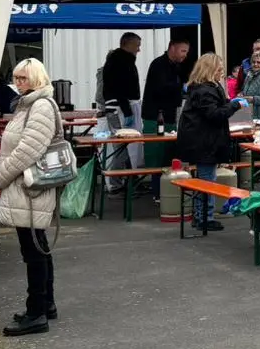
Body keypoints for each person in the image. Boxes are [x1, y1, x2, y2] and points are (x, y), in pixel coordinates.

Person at [0, 59, 63, 337]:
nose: (18, 82)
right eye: (16, 77)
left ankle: (37, 312)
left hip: (30, 187)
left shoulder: (40, 106)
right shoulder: (29, 104)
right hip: (26, 186)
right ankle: (45, 304)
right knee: (37, 246)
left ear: (37, 79)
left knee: (33, 250)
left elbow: (28, 150)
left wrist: (0, 176)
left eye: (24, 78)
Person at [175, 55, 251, 234]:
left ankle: (201, 216)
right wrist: (235, 106)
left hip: (202, 141)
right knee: (207, 180)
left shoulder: (204, 88)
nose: (222, 71)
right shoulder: (205, 90)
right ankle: (204, 218)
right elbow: (215, 114)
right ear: (210, 69)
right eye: (219, 68)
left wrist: (230, 103)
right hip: (204, 142)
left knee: (205, 179)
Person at [141, 39, 190, 198]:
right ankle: (156, 192)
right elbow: (161, 88)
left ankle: (166, 191)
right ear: (172, 48)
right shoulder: (158, 65)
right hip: (155, 117)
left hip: (170, 116)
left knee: (168, 154)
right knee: (156, 154)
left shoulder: (176, 66)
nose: (185, 55)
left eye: (186, 52)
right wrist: (182, 86)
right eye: (183, 51)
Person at [100, 33, 141, 125]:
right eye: (137, 46)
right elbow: (119, 88)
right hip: (119, 107)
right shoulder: (121, 62)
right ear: (129, 45)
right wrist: (127, 111)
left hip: (118, 106)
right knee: (124, 136)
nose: (139, 50)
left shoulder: (117, 60)